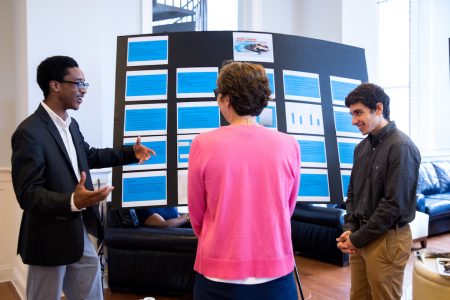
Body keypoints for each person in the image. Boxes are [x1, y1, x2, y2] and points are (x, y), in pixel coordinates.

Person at [11, 55, 155, 300]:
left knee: (91, 291)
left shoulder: (71, 124)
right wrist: (72, 200)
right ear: (55, 85)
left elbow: (89, 156)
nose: (84, 90)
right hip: (47, 238)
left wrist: (130, 152)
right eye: (78, 83)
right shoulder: (29, 132)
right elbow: (28, 195)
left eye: (85, 84)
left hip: (77, 231)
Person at [188, 61, 301, 300]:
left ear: (226, 99)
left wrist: (217, 235)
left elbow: (197, 212)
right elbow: (287, 207)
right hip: (276, 269)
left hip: (219, 269)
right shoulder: (289, 145)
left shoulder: (203, 144)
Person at [336, 83, 421, 300]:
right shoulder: (361, 148)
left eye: (359, 113)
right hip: (361, 236)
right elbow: (353, 192)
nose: (354, 121)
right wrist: (350, 228)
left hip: (388, 239)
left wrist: (357, 237)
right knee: (358, 296)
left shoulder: (401, 147)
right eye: (352, 114)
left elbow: (393, 205)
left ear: (379, 108)